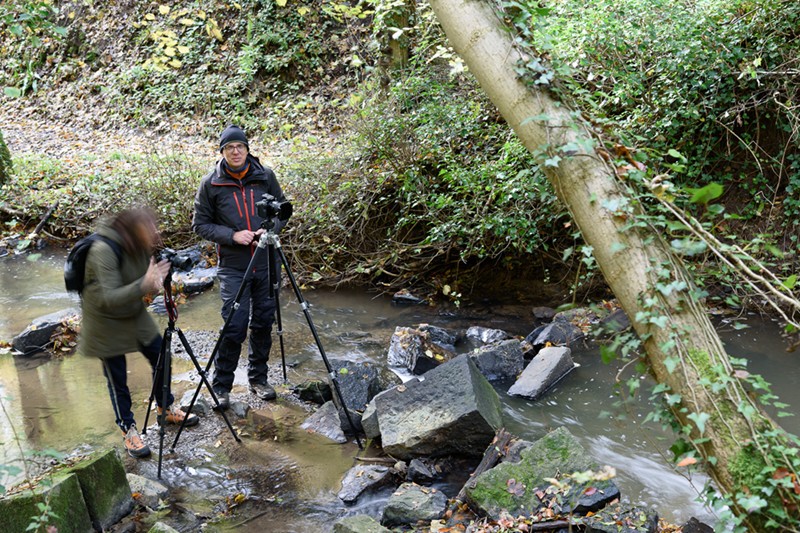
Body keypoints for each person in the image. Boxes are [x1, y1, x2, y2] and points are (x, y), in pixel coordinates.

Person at [79, 208, 199, 458]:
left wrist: (156, 284)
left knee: (160, 353)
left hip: (131, 311)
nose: (154, 234)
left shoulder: (138, 246)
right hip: (104, 318)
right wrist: (144, 284)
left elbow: (142, 286)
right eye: (148, 230)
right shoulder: (102, 251)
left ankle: (165, 408)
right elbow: (109, 297)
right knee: (117, 377)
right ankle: (128, 430)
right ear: (132, 231)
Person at [192, 125, 288, 409]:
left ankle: (258, 380)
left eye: (240, 147)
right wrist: (232, 236)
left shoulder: (265, 176)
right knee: (234, 325)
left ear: (248, 149)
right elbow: (200, 224)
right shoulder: (211, 183)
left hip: (267, 260)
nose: (235, 151)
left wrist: (269, 228)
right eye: (229, 147)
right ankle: (222, 387)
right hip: (234, 265)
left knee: (263, 322)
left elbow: (282, 209)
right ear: (222, 151)